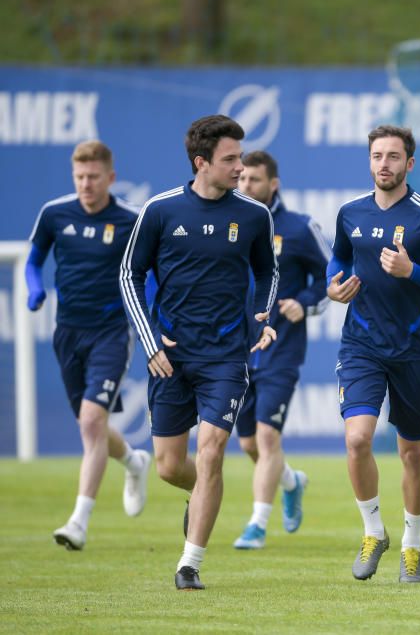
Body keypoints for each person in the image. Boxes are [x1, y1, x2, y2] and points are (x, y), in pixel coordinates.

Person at [119, 115, 278, 590]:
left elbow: (268, 273)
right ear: (201, 162)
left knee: (211, 454)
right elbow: (130, 275)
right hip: (169, 356)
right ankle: (202, 494)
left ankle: (189, 564)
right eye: (230, 159)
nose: (240, 167)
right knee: (171, 465)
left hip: (227, 357)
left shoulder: (253, 215)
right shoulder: (161, 210)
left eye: (242, 157)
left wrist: (261, 315)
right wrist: (150, 342)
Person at [326, 125, 420, 582]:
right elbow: (339, 258)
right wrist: (332, 285)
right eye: (377, 156)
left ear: (410, 164)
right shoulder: (350, 213)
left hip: (413, 350)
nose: (384, 164)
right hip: (361, 344)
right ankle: (373, 531)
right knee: (357, 439)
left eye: (394, 157)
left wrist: (411, 270)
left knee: (413, 453)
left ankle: (412, 547)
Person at [26, 140, 152, 551]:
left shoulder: (130, 221)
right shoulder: (54, 213)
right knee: (90, 424)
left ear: (110, 178)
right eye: (79, 176)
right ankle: (134, 461)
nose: (86, 184)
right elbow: (34, 258)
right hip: (68, 333)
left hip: (111, 334)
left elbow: (147, 274)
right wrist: (34, 289)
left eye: (93, 177)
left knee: (92, 422)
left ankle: (78, 521)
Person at [231, 150, 329, 550]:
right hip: (236, 351)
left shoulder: (300, 228)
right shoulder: (228, 224)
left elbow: (333, 276)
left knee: (268, 437)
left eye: (254, 180)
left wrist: (302, 302)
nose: (246, 186)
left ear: (273, 184)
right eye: (241, 179)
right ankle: (291, 481)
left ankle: (256, 524)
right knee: (250, 443)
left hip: (282, 351)